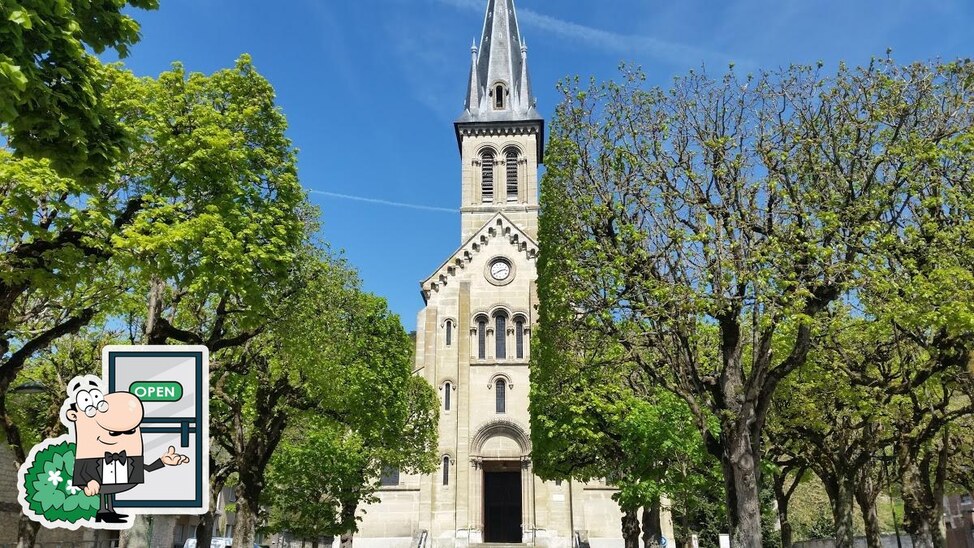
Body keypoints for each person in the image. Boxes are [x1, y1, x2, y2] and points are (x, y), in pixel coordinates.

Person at [65, 375, 190, 523]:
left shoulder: (129, 458)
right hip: (98, 483)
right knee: (105, 491)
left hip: (116, 480)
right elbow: (81, 473)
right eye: (114, 433)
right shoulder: (87, 458)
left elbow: (147, 468)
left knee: (109, 491)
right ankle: (103, 511)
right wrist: (88, 482)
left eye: (130, 431)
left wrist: (162, 461)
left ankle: (108, 511)